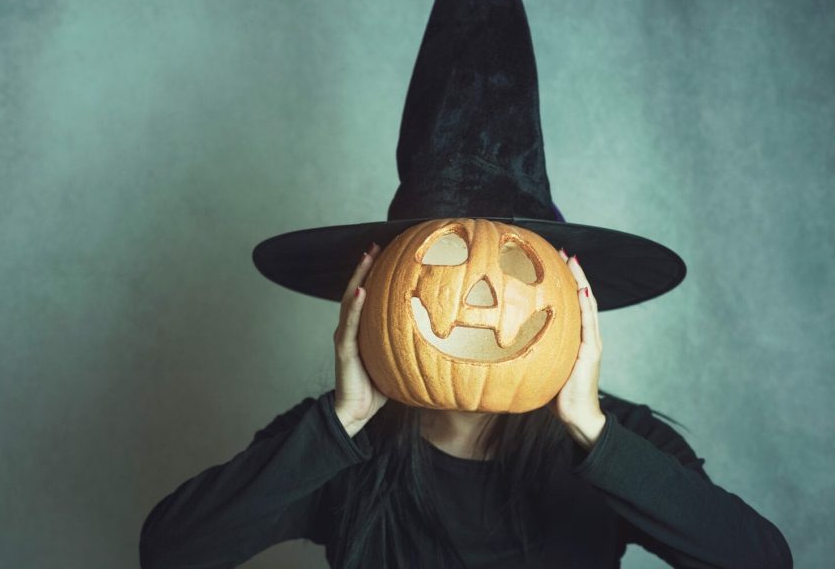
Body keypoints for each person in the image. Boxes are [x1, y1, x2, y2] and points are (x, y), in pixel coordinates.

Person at [138, 242, 793, 568]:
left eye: (518, 264)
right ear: (370, 298)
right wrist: (342, 418)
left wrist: (590, 427)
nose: (483, 294)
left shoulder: (617, 437)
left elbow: (762, 561)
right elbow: (170, 550)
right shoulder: (336, 441)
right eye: (445, 254)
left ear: (572, 303)